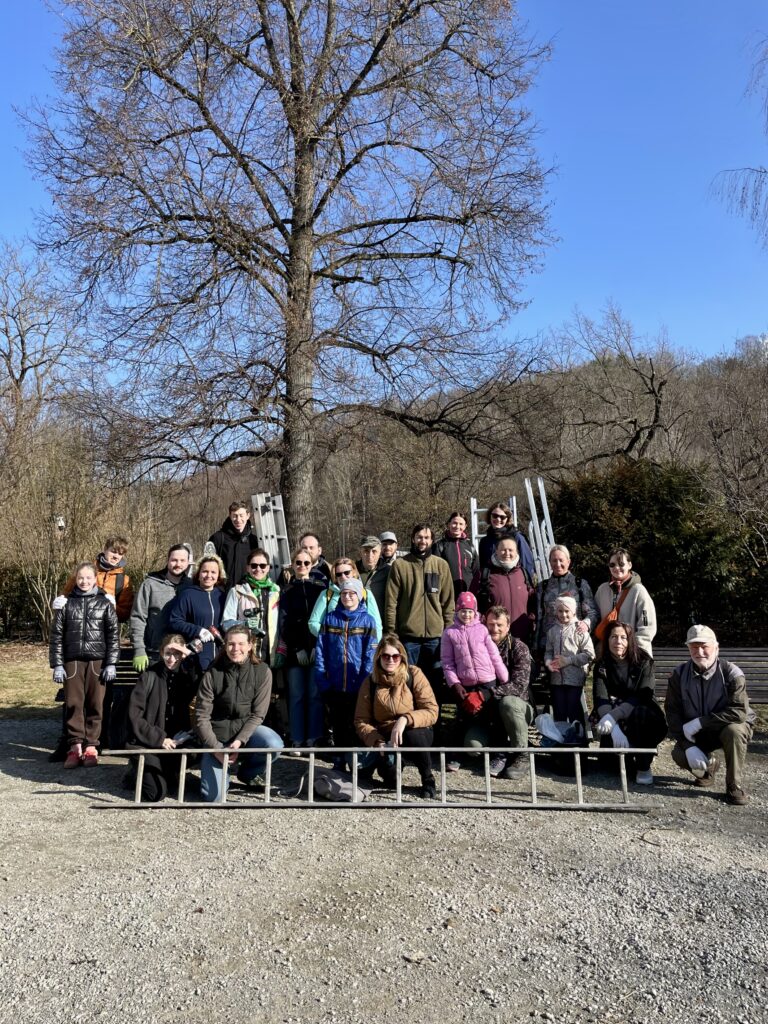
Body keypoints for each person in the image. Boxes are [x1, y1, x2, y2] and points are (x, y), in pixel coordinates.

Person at [665, 624, 754, 805]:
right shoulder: (678, 675)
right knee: (679, 754)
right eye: (694, 647)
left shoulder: (732, 673)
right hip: (699, 732)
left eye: (704, 646)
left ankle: (734, 785)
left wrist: (700, 722)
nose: (699, 652)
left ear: (716, 647)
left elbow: (738, 711)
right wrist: (688, 746)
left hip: (726, 726)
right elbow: (672, 713)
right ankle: (708, 768)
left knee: (735, 731)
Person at [194, 625, 284, 801]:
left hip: (245, 732)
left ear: (250, 645)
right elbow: (201, 716)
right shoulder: (213, 672)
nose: (236, 649)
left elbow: (258, 714)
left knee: (273, 743)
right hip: (216, 735)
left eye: (241, 644)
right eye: (231, 644)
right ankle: (222, 773)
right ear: (225, 645)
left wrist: (239, 741)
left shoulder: (262, 671)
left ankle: (248, 773)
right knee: (215, 798)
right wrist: (216, 749)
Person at [49, 561, 120, 768]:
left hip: (98, 662)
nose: (84, 581)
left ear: (95, 579)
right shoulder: (66, 604)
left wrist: (111, 663)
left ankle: (92, 746)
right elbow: (56, 636)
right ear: (75, 579)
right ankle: (75, 746)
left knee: (96, 704)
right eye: (80, 578)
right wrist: (57, 664)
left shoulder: (105, 603)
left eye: (88, 578)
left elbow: (113, 635)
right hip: (72, 662)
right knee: (74, 704)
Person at [354, 635, 438, 799]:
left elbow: (431, 710)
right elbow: (361, 720)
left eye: (395, 656)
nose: (390, 660)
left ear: (402, 657)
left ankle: (428, 779)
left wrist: (405, 719)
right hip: (385, 736)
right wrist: (377, 741)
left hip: (414, 730)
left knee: (414, 735)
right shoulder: (370, 682)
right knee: (389, 778)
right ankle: (392, 767)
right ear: (379, 657)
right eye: (386, 656)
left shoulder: (414, 674)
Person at [592, 619, 667, 785]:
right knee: (610, 767)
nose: (618, 641)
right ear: (607, 640)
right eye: (613, 637)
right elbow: (600, 697)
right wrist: (614, 728)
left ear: (630, 640)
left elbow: (642, 696)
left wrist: (613, 717)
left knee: (640, 714)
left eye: (623, 637)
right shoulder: (602, 664)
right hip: (613, 713)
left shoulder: (644, 661)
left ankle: (644, 766)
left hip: (642, 713)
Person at [440, 591, 508, 772]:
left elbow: (494, 655)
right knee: (462, 719)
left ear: (475, 611)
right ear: (457, 611)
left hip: (488, 680)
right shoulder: (449, 633)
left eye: (470, 611)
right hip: (465, 683)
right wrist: (454, 683)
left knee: (495, 718)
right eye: (463, 611)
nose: (467, 615)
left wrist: (503, 677)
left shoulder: (482, 629)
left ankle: (499, 756)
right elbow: (447, 662)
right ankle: (456, 756)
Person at [314, 578, 378, 770]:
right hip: (334, 684)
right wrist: (323, 681)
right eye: (344, 593)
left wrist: (362, 683)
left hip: (357, 685)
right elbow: (321, 651)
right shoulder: (330, 619)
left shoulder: (368, 620)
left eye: (352, 593)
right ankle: (339, 761)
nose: (347, 597)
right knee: (338, 723)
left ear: (359, 596)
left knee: (355, 723)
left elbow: (370, 655)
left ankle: (359, 764)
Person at [126, 634, 198, 802]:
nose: (172, 659)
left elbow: (201, 679)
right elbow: (135, 716)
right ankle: (136, 772)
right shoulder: (149, 676)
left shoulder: (186, 677)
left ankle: (167, 771)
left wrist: (189, 654)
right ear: (161, 653)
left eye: (177, 654)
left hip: (175, 741)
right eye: (168, 653)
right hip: (148, 742)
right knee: (156, 794)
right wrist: (160, 739)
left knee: (195, 753)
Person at [384, 523, 454, 684]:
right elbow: (391, 602)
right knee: (407, 680)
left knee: (435, 681)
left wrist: (448, 632)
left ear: (432, 540)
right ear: (413, 539)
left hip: (436, 637)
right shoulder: (400, 565)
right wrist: (392, 632)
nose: (423, 541)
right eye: (419, 537)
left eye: (426, 537)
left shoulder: (441, 565)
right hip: (409, 637)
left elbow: (448, 602)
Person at [275, 547, 327, 749]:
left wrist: (316, 646)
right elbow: (284, 623)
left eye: (306, 563)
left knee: (314, 695)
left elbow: (323, 620)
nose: (302, 566)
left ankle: (314, 737)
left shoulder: (320, 589)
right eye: (298, 563)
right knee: (296, 696)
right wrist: (297, 649)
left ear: (312, 564)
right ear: (293, 565)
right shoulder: (286, 590)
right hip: (294, 652)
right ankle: (297, 738)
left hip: (316, 649)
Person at [484, 605, 534, 779]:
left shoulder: (519, 647)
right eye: (491, 624)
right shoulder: (480, 647)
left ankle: (523, 754)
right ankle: (499, 754)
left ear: (508, 626)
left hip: (518, 707)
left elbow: (519, 685)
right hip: (488, 709)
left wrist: (490, 693)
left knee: (508, 703)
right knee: (472, 746)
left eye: (499, 625)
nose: (494, 629)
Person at [129, 544, 193, 672]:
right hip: (154, 653)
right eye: (174, 560)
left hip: (182, 654)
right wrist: (139, 649)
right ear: (167, 560)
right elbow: (138, 617)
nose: (178, 564)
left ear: (188, 563)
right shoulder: (150, 584)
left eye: (182, 560)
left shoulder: (191, 586)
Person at [534, 544, 598, 657]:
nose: (558, 564)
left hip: (574, 646)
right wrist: (535, 645)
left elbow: (592, 612)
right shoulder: (543, 587)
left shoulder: (580, 585)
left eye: (561, 560)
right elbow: (539, 618)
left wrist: (586, 624)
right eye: (554, 560)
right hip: (549, 647)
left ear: (568, 561)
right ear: (550, 562)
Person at [167, 555, 227, 674]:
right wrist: (198, 630)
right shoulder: (188, 595)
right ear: (198, 574)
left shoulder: (222, 596)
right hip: (196, 656)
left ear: (219, 575)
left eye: (213, 572)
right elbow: (174, 621)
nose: (209, 575)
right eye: (204, 571)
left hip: (221, 658)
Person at [221, 547, 281, 665]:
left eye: (262, 566)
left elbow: (281, 624)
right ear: (247, 568)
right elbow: (226, 624)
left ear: (268, 568)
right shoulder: (237, 591)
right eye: (254, 566)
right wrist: (244, 624)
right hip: (247, 654)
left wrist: (282, 648)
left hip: (272, 653)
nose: (258, 569)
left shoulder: (276, 591)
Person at [470, 536, 536, 644]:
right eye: (503, 550)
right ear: (496, 551)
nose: (507, 553)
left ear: (516, 551)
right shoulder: (484, 574)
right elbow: (472, 605)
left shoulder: (523, 573)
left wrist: (530, 621)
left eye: (511, 550)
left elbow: (532, 602)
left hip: (522, 638)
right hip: (493, 640)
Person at [593, 548, 657, 657]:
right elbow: (595, 618)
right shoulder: (602, 590)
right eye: (612, 565)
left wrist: (633, 649)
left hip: (634, 655)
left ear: (629, 565)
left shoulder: (639, 591)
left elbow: (647, 626)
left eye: (621, 564)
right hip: (608, 656)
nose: (617, 568)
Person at [58, 535, 134, 622]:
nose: (116, 556)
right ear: (105, 549)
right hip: (78, 624)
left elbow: (125, 614)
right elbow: (65, 596)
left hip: (105, 627)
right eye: (113, 551)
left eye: (120, 554)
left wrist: (112, 606)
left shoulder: (124, 580)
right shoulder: (85, 570)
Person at [544, 595, 595, 723]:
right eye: (560, 611)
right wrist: (548, 663)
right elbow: (548, 652)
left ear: (573, 611)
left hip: (574, 680)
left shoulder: (580, 630)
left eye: (567, 611)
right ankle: (561, 733)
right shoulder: (552, 632)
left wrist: (568, 660)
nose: (563, 614)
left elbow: (590, 654)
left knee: (574, 711)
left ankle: (577, 733)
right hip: (556, 680)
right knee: (559, 711)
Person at [308, 556, 383, 640]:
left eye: (347, 573)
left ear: (354, 572)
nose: (343, 576)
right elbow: (313, 623)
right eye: (339, 574)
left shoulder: (366, 594)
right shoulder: (327, 594)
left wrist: (373, 645)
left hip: (360, 644)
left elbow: (377, 625)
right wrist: (329, 636)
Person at [207, 500, 260, 587]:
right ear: (230, 516)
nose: (238, 520)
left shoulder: (253, 541)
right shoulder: (218, 538)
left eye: (241, 515)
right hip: (223, 590)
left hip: (248, 590)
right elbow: (207, 565)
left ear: (248, 516)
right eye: (234, 516)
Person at [478, 502, 535, 578]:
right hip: (492, 582)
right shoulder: (484, 541)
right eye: (495, 516)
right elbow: (483, 568)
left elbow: (527, 564)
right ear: (489, 516)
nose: (498, 519)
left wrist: (526, 582)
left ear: (507, 519)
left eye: (502, 517)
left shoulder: (517, 537)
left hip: (514, 581)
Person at [432, 512, 478, 598]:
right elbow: (434, 572)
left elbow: (476, 572)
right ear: (449, 524)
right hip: (447, 595)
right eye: (454, 523)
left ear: (465, 526)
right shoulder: (439, 546)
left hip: (468, 596)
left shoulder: (470, 546)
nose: (457, 526)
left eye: (461, 524)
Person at [355, 536, 390, 619]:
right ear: (360, 552)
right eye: (366, 551)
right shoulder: (351, 571)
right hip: (356, 622)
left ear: (380, 552)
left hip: (379, 621)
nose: (370, 555)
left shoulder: (389, 572)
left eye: (374, 551)